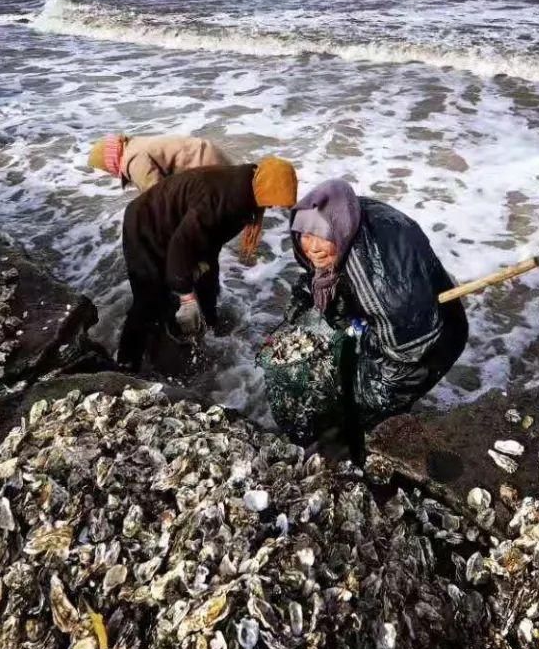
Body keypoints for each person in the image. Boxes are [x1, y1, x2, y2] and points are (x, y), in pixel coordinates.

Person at [287, 178, 468, 429]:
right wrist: (306, 293)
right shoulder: (345, 217)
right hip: (401, 309)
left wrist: (361, 340)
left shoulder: (380, 278)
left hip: (426, 340)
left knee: (368, 402)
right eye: (307, 234)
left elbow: (407, 347)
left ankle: (384, 436)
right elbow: (318, 268)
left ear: (340, 230)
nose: (314, 247)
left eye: (324, 236)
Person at [117, 156, 298, 371]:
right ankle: (126, 362)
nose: (274, 206)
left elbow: (209, 236)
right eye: (273, 200)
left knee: (208, 283)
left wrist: (201, 267)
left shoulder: (248, 188)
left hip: (181, 228)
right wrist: (186, 296)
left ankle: (207, 329)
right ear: (264, 187)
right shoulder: (222, 199)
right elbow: (181, 244)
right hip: (146, 224)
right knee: (149, 299)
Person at [87, 134, 232, 191]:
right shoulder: (135, 145)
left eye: (107, 169)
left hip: (205, 165)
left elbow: (156, 193)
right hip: (208, 153)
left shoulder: (132, 160)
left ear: (111, 162)